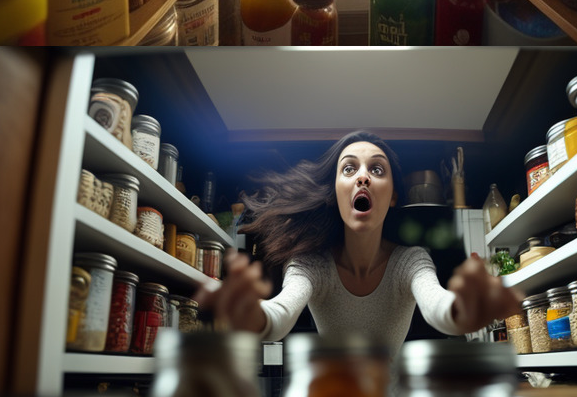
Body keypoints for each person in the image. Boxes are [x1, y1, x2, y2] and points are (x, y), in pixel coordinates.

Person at [194, 131, 521, 353]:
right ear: (335, 191)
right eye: (349, 168)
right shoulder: (312, 264)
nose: (362, 176)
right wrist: (254, 315)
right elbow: (280, 311)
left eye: (377, 169)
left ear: (392, 197)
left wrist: (463, 310)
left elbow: (438, 306)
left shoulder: (409, 261)